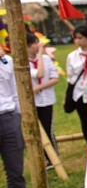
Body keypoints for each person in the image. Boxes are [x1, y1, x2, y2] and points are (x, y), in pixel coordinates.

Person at [0, 47, 26, 188]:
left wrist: (19, 116)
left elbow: (15, 91)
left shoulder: (6, 61)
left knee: (16, 172)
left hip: (9, 118)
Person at [27, 33, 60, 164]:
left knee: (48, 129)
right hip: (32, 102)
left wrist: (39, 88)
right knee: (35, 131)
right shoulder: (23, 63)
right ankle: (43, 157)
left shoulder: (45, 59)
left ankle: (53, 158)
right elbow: (39, 73)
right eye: (35, 43)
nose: (38, 45)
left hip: (46, 100)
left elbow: (55, 78)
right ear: (27, 46)